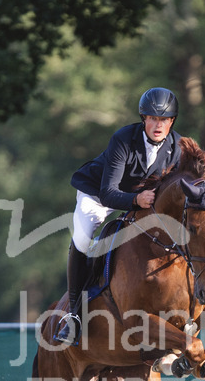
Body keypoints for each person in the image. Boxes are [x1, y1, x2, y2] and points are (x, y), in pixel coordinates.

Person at [53, 87, 183, 345]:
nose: (158, 125)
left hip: (140, 199)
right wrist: (135, 200)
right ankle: (74, 314)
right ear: (143, 118)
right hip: (98, 194)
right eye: (153, 118)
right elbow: (108, 192)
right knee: (83, 238)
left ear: (172, 122)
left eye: (164, 119)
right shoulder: (124, 139)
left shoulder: (177, 147)